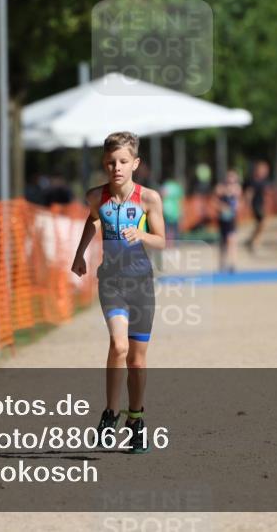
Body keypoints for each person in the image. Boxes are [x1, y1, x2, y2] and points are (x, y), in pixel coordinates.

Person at [71, 132, 165, 454]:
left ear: (135, 163)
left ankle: (136, 419)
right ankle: (110, 412)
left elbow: (163, 240)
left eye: (123, 161)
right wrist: (79, 253)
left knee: (137, 361)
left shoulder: (149, 199)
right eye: (111, 162)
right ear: (104, 164)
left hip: (141, 285)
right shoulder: (96, 197)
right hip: (111, 282)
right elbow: (93, 220)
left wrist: (141, 234)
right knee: (118, 345)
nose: (117, 168)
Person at [215, 169, 243, 273]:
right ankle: (222, 263)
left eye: (233, 178)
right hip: (222, 219)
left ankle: (233, 264)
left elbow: (238, 201)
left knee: (232, 240)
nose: (231, 180)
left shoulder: (237, 188)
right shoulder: (220, 188)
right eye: (229, 178)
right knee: (223, 242)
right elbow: (215, 201)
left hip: (232, 219)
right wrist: (222, 207)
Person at [244, 160, 271, 252]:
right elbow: (249, 193)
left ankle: (253, 240)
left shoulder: (262, 181)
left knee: (261, 224)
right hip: (256, 205)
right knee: (262, 223)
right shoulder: (254, 180)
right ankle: (254, 242)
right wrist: (247, 205)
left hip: (261, 205)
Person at [159, 177, 184, 241]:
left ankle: (167, 246)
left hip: (166, 212)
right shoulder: (177, 187)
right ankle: (176, 247)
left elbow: (161, 196)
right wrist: (181, 213)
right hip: (175, 212)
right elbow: (180, 201)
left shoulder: (165, 185)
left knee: (165, 232)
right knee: (176, 233)